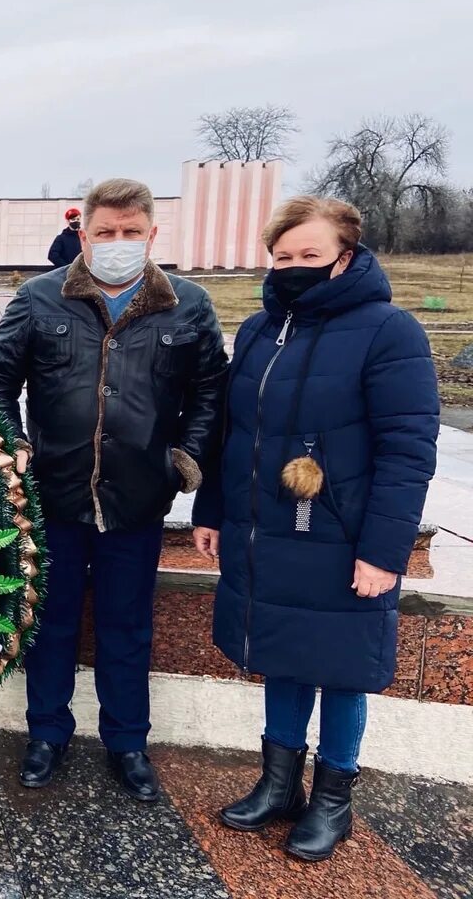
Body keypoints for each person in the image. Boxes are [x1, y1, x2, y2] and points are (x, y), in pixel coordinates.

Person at [192, 197, 438, 862]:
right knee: (283, 652)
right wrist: (211, 510)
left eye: (309, 256)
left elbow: (408, 448)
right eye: (283, 256)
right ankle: (278, 785)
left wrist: (384, 552)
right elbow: (230, 434)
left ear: (346, 256)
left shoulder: (390, 331)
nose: (294, 267)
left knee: (342, 669)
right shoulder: (259, 330)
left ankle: (332, 799)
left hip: (341, 537)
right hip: (269, 530)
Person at [0, 178, 228, 801]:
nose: (118, 243)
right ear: (83, 235)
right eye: (105, 233)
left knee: (127, 626)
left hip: (138, 499)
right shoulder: (40, 298)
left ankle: (127, 742)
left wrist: (184, 460)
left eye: (130, 233)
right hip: (55, 495)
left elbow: (209, 393)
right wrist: (14, 448)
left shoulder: (187, 305)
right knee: (50, 622)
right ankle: (46, 734)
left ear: (151, 235)